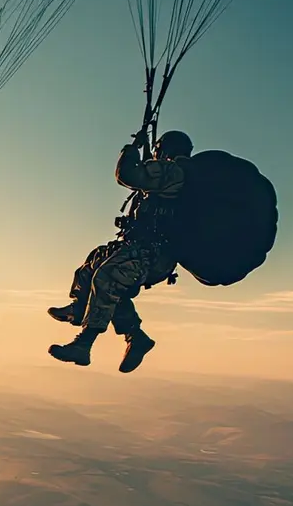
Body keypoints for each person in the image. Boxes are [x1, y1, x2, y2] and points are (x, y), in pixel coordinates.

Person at [48, 129, 192, 372]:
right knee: (94, 264)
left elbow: (126, 174)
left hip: (154, 254)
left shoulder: (172, 171)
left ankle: (84, 344)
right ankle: (94, 316)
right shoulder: (172, 173)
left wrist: (132, 149)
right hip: (143, 247)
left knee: (108, 277)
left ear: (164, 150)